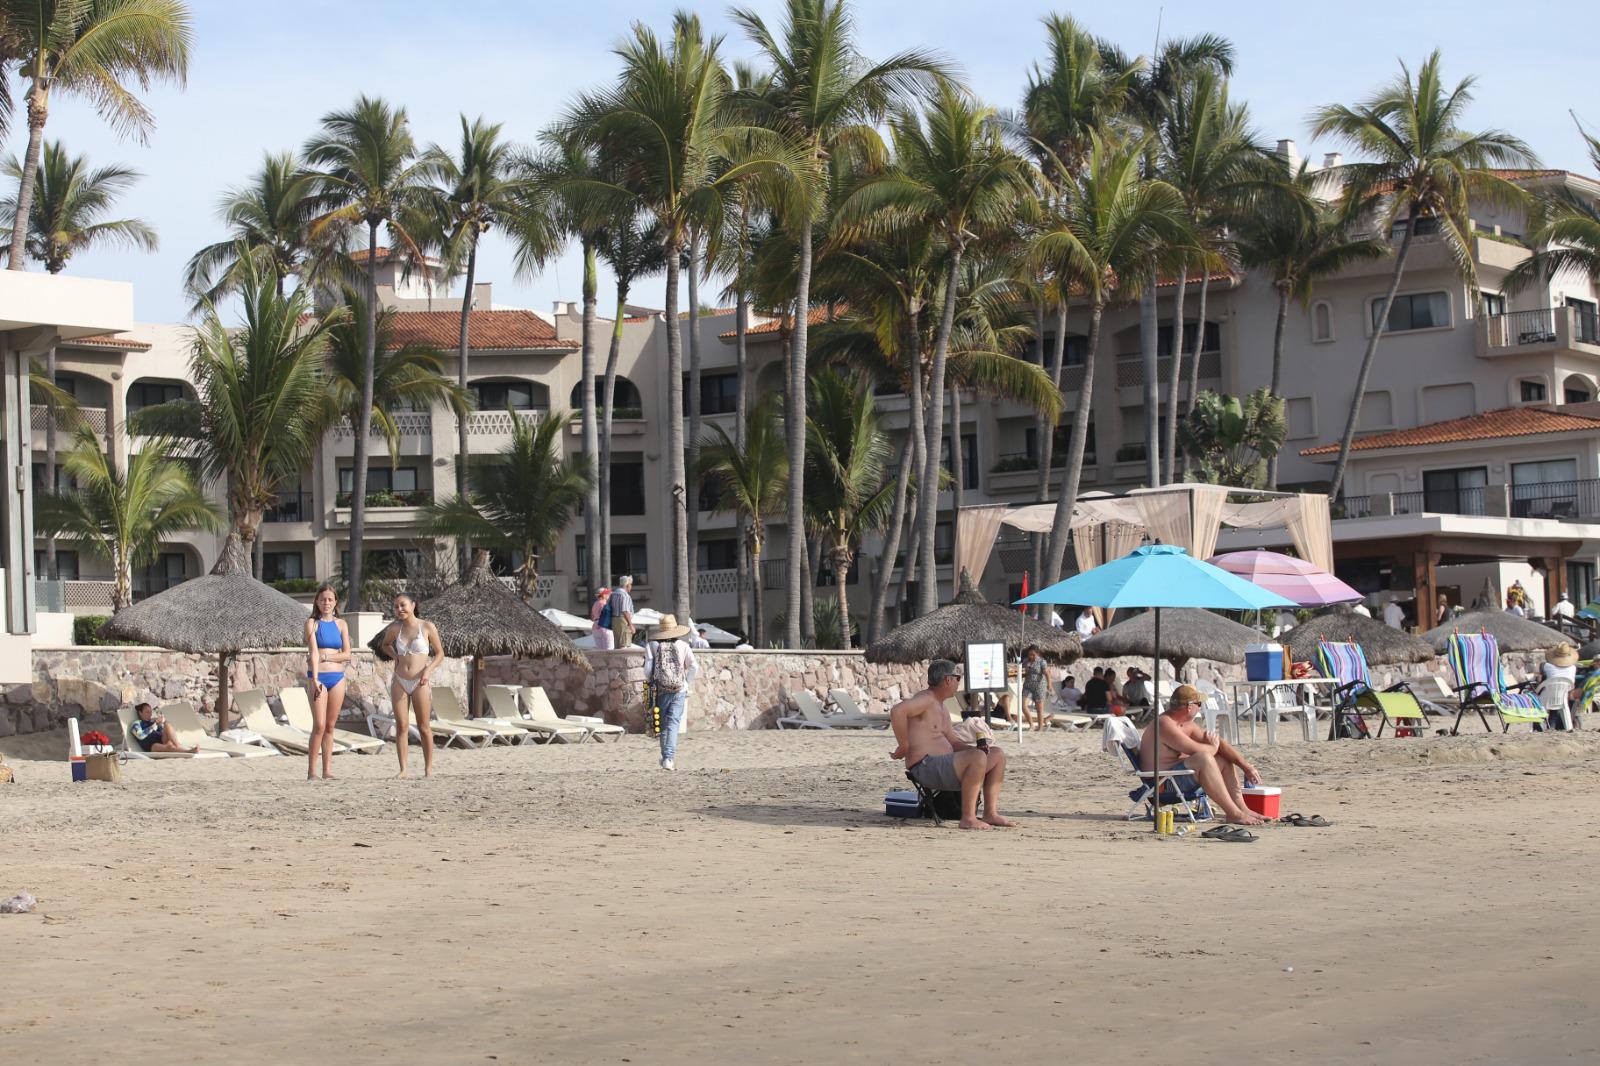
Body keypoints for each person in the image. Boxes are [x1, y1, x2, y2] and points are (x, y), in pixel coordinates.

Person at [889, 660, 1014, 831]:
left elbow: (954, 742)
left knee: (997, 754)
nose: (958, 683)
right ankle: (968, 818)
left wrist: (978, 751)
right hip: (925, 766)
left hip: (946, 765)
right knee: (977, 757)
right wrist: (903, 745)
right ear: (948, 679)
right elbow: (897, 711)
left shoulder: (941, 707)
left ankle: (990, 813)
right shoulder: (926, 699)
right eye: (958, 678)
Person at [1141, 684, 1265, 826]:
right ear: (1189, 707)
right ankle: (1233, 813)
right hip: (1162, 786)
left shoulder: (1185, 723)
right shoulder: (1165, 724)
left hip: (1176, 777)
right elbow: (1202, 750)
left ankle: (1241, 809)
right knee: (1203, 759)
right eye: (1199, 704)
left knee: (1223, 758)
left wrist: (1246, 766)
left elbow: (1219, 744)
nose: (1200, 707)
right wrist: (1213, 747)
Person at [383, 593, 444, 779]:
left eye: (403, 605)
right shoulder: (394, 628)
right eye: (396, 606)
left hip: (420, 681)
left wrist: (428, 670)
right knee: (401, 726)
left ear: (413, 605)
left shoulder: (426, 627)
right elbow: (385, 645)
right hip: (399, 680)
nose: (399, 609)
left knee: (424, 726)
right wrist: (395, 657)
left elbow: (440, 654)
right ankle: (403, 770)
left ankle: (429, 769)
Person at [303, 585, 351, 781]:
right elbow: (313, 652)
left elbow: (347, 654)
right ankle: (312, 770)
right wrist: (314, 678)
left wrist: (327, 657)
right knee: (319, 725)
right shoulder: (311, 623)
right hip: (319, 678)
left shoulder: (341, 624)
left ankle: (327, 770)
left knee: (331, 725)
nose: (326, 603)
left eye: (330, 599)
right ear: (317, 601)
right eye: (323, 599)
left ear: (335, 602)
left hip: (338, 678)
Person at [644, 613, 698, 770]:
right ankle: (669, 758)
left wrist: (652, 680)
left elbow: (647, 671)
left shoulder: (652, 646)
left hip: (659, 689)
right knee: (673, 722)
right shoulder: (683, 645)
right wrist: (686, 683)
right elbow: (694, 666)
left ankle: (665, 756)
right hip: (679, 689)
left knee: (661, 723)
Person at [127, 702, 197, 754]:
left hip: (161, 740)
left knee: (167, 724)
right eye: (147, 712)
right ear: (140, 713)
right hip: (151, 746)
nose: (150, 714)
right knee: (168, 746)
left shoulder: (152, 721)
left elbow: (160, 732)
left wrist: (160, 724)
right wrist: (154, 726)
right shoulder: (136, 724)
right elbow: (140, 736)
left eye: (150, 712)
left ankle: (177, 746)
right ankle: (187, 751)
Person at [1020, 645, 1050, 731]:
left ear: (1037, 654)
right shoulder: (1026, 661)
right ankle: (1032, 725)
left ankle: (1040, 728)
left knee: (1039, 709)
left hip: (1039, 686)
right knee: (1023, 705)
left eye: (1033, 654)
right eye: (1029, 654)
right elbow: (1025, 674)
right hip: (1028, 686)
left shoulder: (1042, 662)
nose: (1031, 656)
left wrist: (1049, 685)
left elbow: (1047, 673)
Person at [609, 575, 636, 648]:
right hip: (623, 620)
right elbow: (625, 611)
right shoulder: (625, 595)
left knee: (617, 645)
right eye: (630, 585)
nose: (631, 587)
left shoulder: (613, 594)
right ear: (627, 585)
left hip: (614, 620)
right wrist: (630, 624)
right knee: (624, 644)